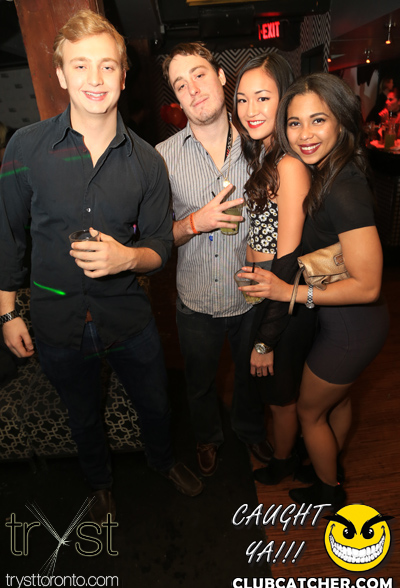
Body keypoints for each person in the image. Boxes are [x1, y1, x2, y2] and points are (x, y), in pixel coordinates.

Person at [0, 9, 203, 525]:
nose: (95, 78)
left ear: (123, 75)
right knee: (82, 415)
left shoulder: (148, 162)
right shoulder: (25, 148)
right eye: (81, 65)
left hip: (128, 319)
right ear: (61, 74)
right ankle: (100, 484)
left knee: (156, 404)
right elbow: (8, 235)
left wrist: (127, 257)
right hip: (57, 322)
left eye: (108, 66)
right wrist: (7, 312)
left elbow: (160, 246)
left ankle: (162, 461)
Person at [238, 73, 390, 508]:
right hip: (343, 322)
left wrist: (292, 293)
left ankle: (329, 493)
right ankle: (329, 464)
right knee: (335, 402)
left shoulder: (344, 188)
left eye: (318, 120)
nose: (304, 134)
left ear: (341, 121)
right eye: (295, 122)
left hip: (352, 327)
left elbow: (369, 285)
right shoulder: (331, 170)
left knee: (309, 411)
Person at [156, 42, 272, 477]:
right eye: (180, 84)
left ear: (222, 77)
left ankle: (249, 430)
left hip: (251, 294)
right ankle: (207, 437)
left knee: (249, 377)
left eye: (199, 75)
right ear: (176, 97)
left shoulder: (260, 146)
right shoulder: (162, 158)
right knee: (199, 382)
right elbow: (154, 240)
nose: (193, 89)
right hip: (196, 298)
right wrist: (194, 223)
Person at [232, 54, 315, 485]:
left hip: (282, 300)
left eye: (263, 97)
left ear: (285, 99)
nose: (250, 109)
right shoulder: (266, 154)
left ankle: (285, 462)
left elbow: (288, 258)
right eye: (242, 99)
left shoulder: (288, 165)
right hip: (264, 293)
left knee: (281, 397)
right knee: (273, 391)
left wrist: (266, 339)